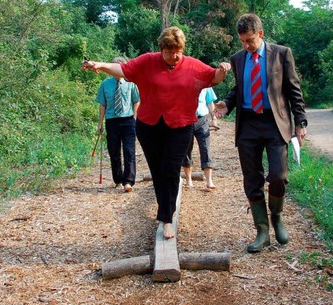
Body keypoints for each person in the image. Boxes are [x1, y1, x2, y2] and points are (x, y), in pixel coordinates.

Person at [83, 27, 231, 239]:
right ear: (161, 49)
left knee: (171, 169)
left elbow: (213, 77)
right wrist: (100, 64)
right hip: (149, 126)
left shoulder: (192, 65)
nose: (174, 55)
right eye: (169, 51)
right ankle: (165, 211)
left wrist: (223, 70)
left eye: (178, 50)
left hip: (181, 126)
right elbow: (123, 69)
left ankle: (166, 218)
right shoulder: (147, 62)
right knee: (158, 171)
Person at [215, 13, 307, 252]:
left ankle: (277, 217)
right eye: (242, 41)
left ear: (261, 34)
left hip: (275, 123)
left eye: (250, 40)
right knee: (252, 179)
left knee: (278, 174)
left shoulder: (281, 53)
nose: (246, 45)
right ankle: (262, 230)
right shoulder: (237, 59)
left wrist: (301, 122)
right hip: (248, 125)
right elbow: (239, 88)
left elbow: (293, 89)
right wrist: (227, 103)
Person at [95, 57, 140, 192]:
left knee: (129, 151)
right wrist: (100, 123)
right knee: (114, 151)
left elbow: (136, 100)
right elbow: (102, 104)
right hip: (112, 121)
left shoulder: (131, 83)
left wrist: (134, 116)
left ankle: (129, 181)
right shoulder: (105, 84)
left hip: (128, 120)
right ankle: (118, 180)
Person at [182, 87, 218, 189]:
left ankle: (209, 180)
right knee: (186, 149)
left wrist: (214, 118)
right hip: (186, 119)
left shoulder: (206, 81)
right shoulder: (183, 77)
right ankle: (189, 180)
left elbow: (210, 101)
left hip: (202, 118)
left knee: (205, 148)